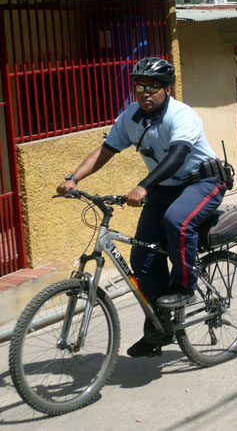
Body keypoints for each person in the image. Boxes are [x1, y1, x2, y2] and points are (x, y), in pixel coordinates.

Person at [56, 57, 227, 357]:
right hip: (164, 188)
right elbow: (105, 150)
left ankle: (184, 287)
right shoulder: (131, 117)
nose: (145, 92)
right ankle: (158, 329)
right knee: (142, 258)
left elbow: (176, 156)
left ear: (168, 89)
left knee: (177, 221)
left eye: (154, 86)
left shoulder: (181, 115)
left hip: (202, 182)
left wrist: (143, 186)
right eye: (139, 86)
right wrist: (73, 177)